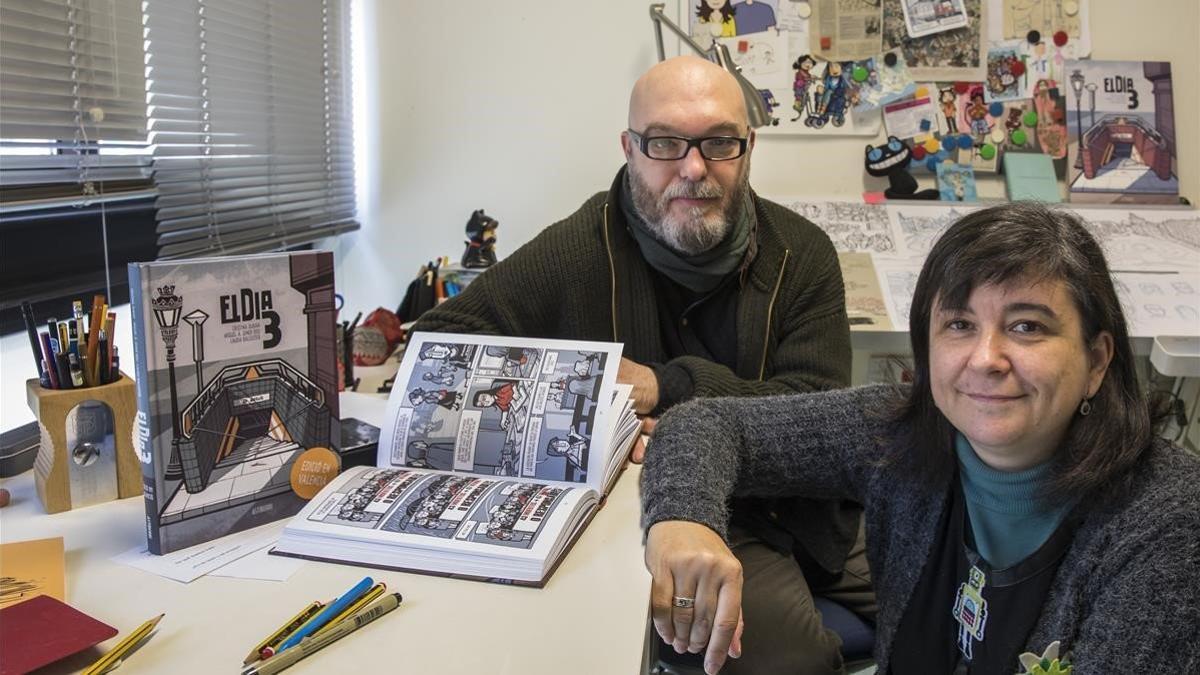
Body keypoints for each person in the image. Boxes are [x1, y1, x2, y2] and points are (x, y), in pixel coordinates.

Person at [413, 56, 865, 673]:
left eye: (719, 142)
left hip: (794, 509)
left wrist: (663, 385)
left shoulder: (801, 253)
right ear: (630, 148)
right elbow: (440, 345)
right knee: (791, 663)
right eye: (665, 143)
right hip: (651, 518)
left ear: (748, 147)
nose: (694, 168)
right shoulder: (578, 249)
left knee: (960, 596)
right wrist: (573, 409)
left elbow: (820, 415)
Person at [641, 202, 1200, 674]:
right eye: (959, 325)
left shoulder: (1167, 525)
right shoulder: (898, 432)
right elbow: (709, 423)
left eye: (1027, 326)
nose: (985, 359)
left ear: (1097, 361)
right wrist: (682, 521)